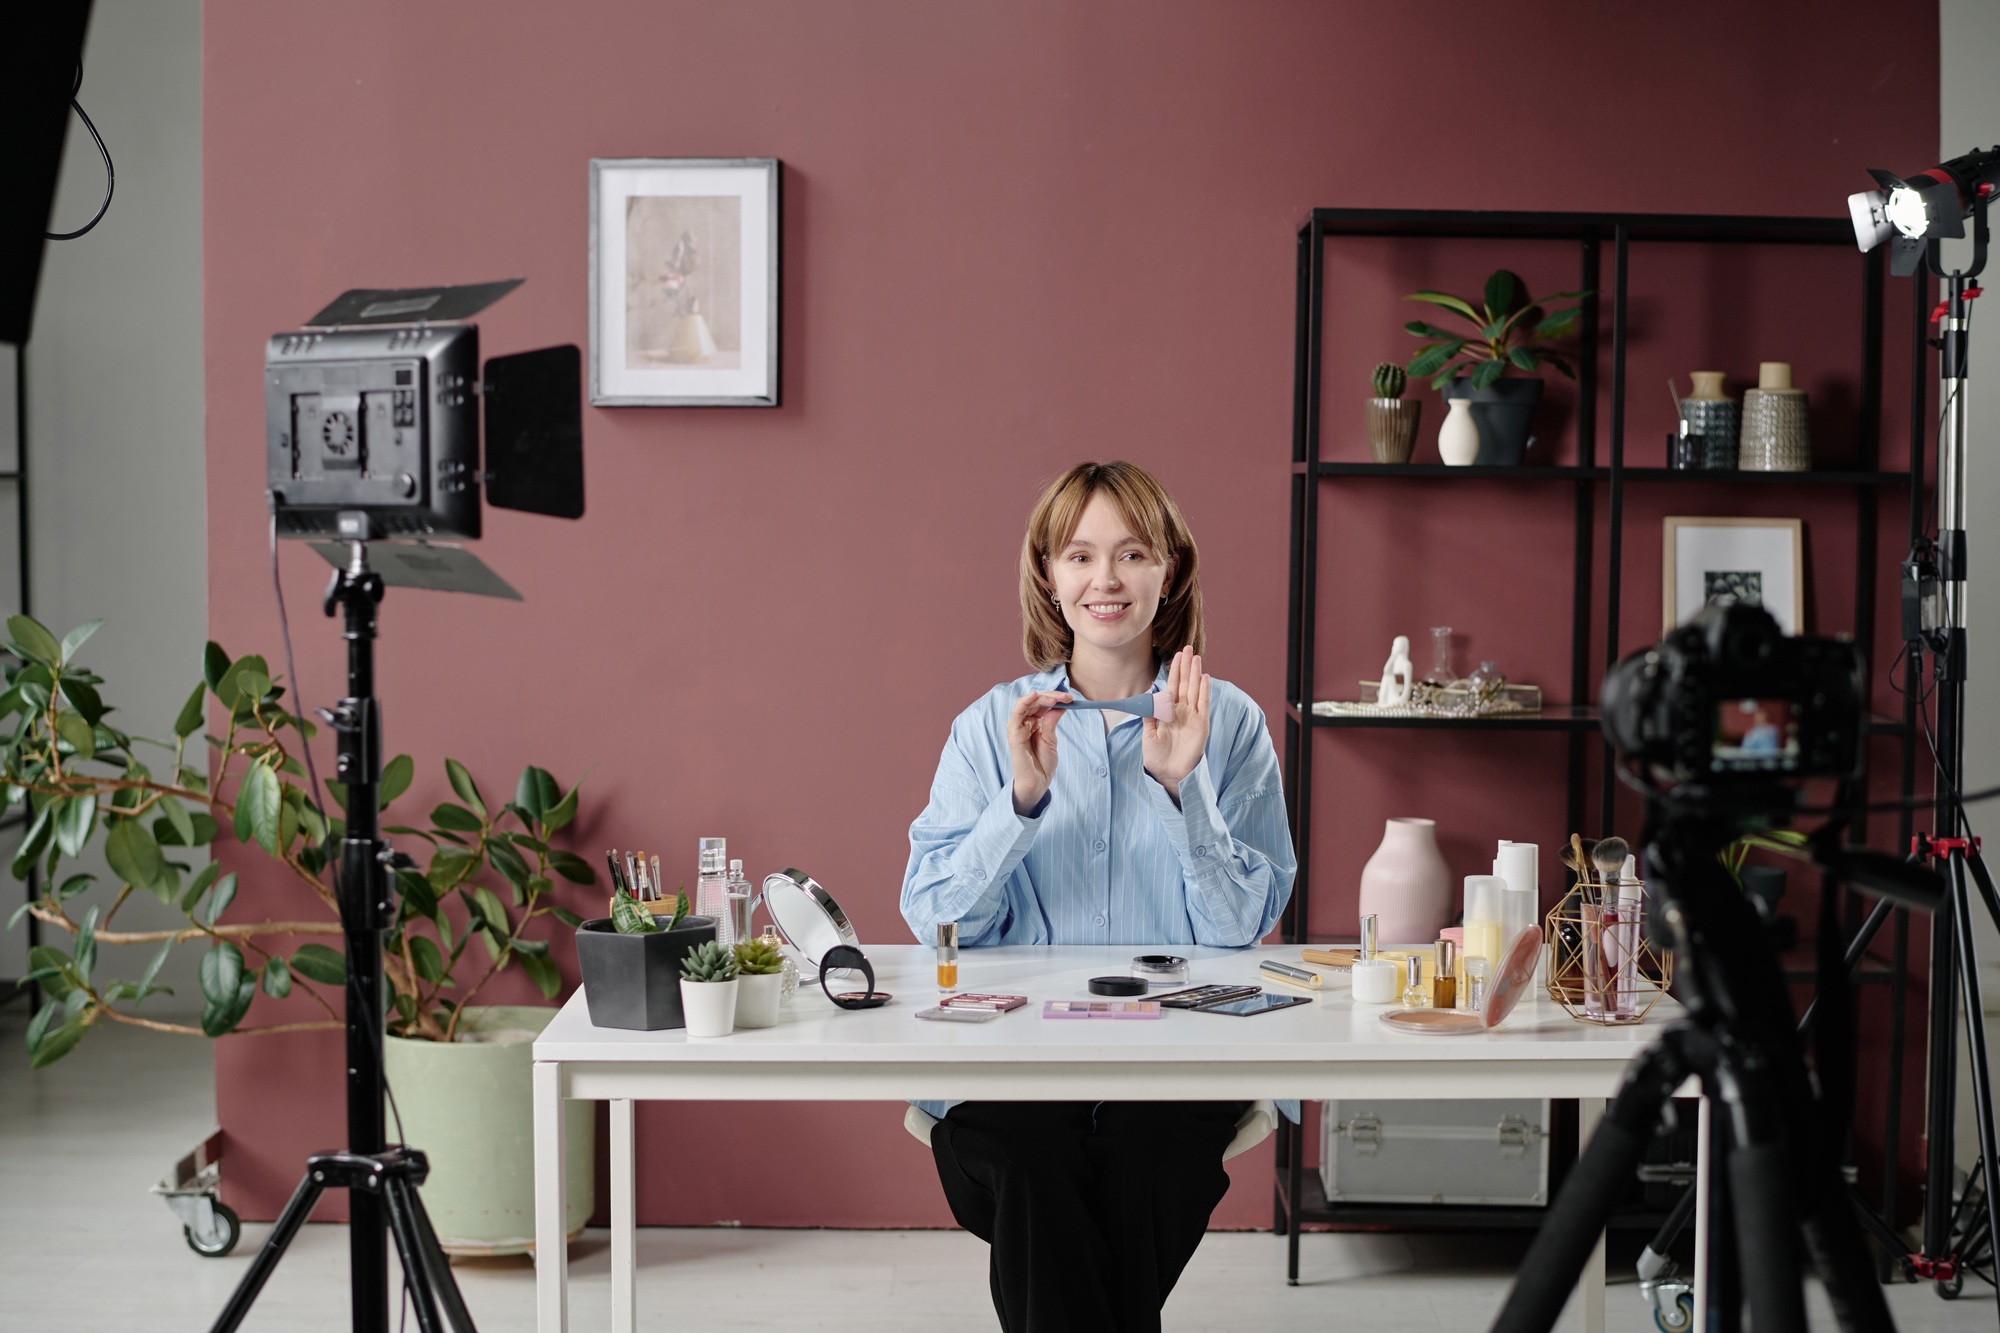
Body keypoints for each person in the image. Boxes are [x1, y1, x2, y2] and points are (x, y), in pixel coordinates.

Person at [901, 460, 1297, 1333]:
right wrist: (1020, 803)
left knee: (1135, 1174)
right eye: (1079, 555)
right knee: (1037, 1168)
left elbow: (1241, 928)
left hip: (1176, 1070)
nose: (1105, 579)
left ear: (1170, 570)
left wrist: (1183, 787)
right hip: (1006, 1069)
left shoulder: (1229, 725)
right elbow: (937, 921)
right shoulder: (989, 727)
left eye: (1131, 553)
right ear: (1049, 574)